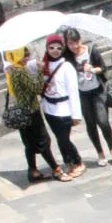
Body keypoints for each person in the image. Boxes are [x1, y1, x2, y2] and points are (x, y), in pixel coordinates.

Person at [64, 27, 112, 167]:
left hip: (97, 91)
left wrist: (93, 69)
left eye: (75, 42)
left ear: (79, 40)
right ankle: (100, 153)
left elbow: (103, 68)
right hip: (82, 93)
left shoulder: (91, 50)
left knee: (103, 121)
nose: (73, 46)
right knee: (90, 124)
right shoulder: (67, 57)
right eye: (70, 44)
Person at [2, 48, 58, 183]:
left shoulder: (11, 70)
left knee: (29, 143)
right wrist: (40, 72)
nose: (27, 58)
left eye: (27, 55)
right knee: (43, 140)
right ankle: (56, 168)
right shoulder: (20, 71)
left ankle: (32, 171)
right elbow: (36, 89)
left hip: (22, 112)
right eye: (24, 55)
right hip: (31, 111)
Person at [36, 35, 86, 177]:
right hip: (49, 108)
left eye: (58, 48)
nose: (55, 51)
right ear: (47, 48)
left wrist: (76, 114)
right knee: (59, 138)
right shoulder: (43, 65)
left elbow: (73, 91)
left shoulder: (66, 66)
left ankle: (77, 161)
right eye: (51, 48)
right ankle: (68, 162)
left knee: (64, 138)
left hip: (64, 108)